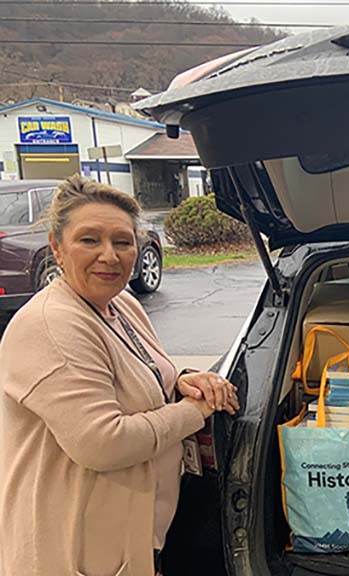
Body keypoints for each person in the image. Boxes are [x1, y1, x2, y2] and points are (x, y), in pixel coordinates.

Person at [0, 175, 240, 576]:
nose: (109, 256)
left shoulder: (120, 304)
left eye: (122, 242)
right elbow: (103, 443)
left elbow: (144, 371)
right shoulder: (51, 326)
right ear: (57, 248)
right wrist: (194, 411)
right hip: (75, 551)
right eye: (89, 240)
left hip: (134, 540)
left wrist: (180, 379)